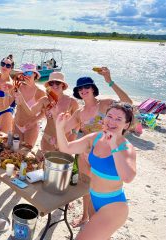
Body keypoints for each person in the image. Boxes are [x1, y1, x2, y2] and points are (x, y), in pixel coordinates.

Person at [55, 102, 136, 239]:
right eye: (109, 116)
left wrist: (114, 146)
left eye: (118, 119)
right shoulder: (96, 137)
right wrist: (59, 127)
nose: (112, 121)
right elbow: (66, 148)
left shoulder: (126, 148)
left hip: (113, 205)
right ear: (104, 118)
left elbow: (128, 177)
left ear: (126, 125)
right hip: (94, 199)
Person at [64, 67, 132, 227]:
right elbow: (63, 129)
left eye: (87, 86)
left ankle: (100, 223)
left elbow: (128, 104)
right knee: (86, 187)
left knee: (104, 189)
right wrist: (54, 115)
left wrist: (110, 81)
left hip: (107, 155)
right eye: (80, 88)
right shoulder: (79, 113)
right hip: (85, 156)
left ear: (93, 88)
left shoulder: (106, 104)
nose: (83, 90)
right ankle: (85, 217)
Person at [15, 72, 79, 151]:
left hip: (64, 140)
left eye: (58, 83)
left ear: (62, 84)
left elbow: (78, 122)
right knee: (43, 163)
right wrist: (21, 100)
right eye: (52, 83)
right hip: (47, 139)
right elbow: (31, 112)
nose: (54, 85)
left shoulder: (71, 102)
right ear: (49, 85)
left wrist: (73, 136)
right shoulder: (45, 100)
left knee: (59, 163)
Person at [13, 63, 46, 147]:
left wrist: (33, 122)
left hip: (30, 127)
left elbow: (44, 112)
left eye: (29, 73)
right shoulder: (18, 87)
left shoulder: (40, 92)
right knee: (15, 153)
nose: (26, 75)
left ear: (35, 74)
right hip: (16, 125)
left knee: (26, 154)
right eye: (24, 73)